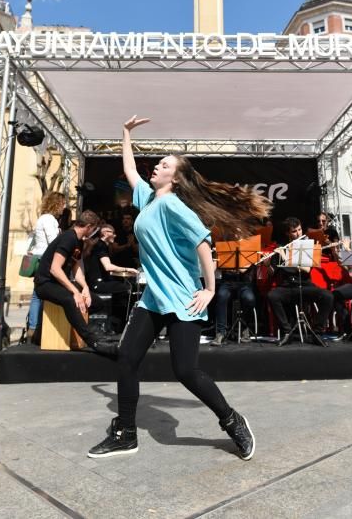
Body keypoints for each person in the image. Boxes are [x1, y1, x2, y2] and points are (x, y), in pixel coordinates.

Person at [88, 115, 271, 461]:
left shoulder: (173, 205)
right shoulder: (149, 199)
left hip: (182, 296)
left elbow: (204, 244)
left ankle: (232, 421)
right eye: (158, 163)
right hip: (154, 297)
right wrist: (125, 134)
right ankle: (126, 432)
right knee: (127, 359)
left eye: (164, 164)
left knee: (185, 370)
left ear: (177, 177)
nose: (156, 166)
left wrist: (210, 289)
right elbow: (130, 172)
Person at [34, 210, 117, 355]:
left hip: (58, 284)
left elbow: (76, 266)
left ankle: (56, 330)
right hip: (45, 284)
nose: (94, 232)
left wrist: (84, 288)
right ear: (89, 226)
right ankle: (94, 341)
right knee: (70, 300)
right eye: (95, 229)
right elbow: (55, 269)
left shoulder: (78, 240)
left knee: (96, 302)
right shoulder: (68, 238)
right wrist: (75, 291)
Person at [266, 217, 334, 346]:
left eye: (299, 230)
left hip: (306, 285)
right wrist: (267, 264)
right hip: (288, 286)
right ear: (288, 233)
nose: (298, 234)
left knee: (328, 296)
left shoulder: (307, 245)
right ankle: (287, 332)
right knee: (272, 296)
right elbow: (272, 273)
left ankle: (317, 332)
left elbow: (307, 269)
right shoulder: (281, 248)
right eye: (294, 231)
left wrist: (285, 257)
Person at [26, 191, 66, 342]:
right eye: (62, 204)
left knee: (37, 294)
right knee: (40, 294)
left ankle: (34, 327)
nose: (64, 208)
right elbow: (54, 242)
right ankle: (37, 327)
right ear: (56, 204)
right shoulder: (49, 220)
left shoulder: (42, 219)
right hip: (45, 259)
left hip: (40, 257)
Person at [83, 224, 138, 331]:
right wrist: (128, 269)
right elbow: (108, 267)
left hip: (98, 282)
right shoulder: (100, 246)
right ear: (105, 233)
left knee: (122, 288)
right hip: (98, 284)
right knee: (127, 289)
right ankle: (120, 324)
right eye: (113, 233)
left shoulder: (102, 246)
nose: (115, 235)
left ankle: (117, 323)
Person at [210, 264, 257, 346]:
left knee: (250, 299)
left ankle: (245, 328)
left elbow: (246, 268)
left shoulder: (249, 251)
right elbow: (213, 268)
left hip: (244, 283)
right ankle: (221, 332)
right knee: (221, 296)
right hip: (227, 282)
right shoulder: (222, 250)